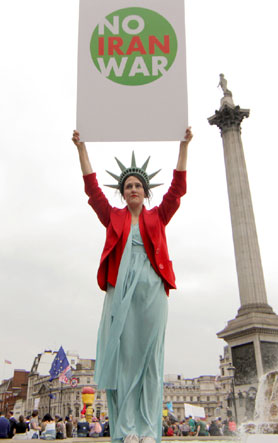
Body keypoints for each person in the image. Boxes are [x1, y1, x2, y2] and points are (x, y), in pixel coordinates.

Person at [73, 127, 192, 443]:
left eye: (138, 185)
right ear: (123, 193)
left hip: (152, 292)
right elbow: (92, 190)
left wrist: (183, 146)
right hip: (121, 292)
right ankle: (127, 430)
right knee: (125, 362)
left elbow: (178, 189)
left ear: (146, 191)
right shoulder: (113, 216)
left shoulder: (158, 217)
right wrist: (81, 149)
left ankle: (148, 430)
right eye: (128, 186)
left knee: (151, 362)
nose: (133, 189)